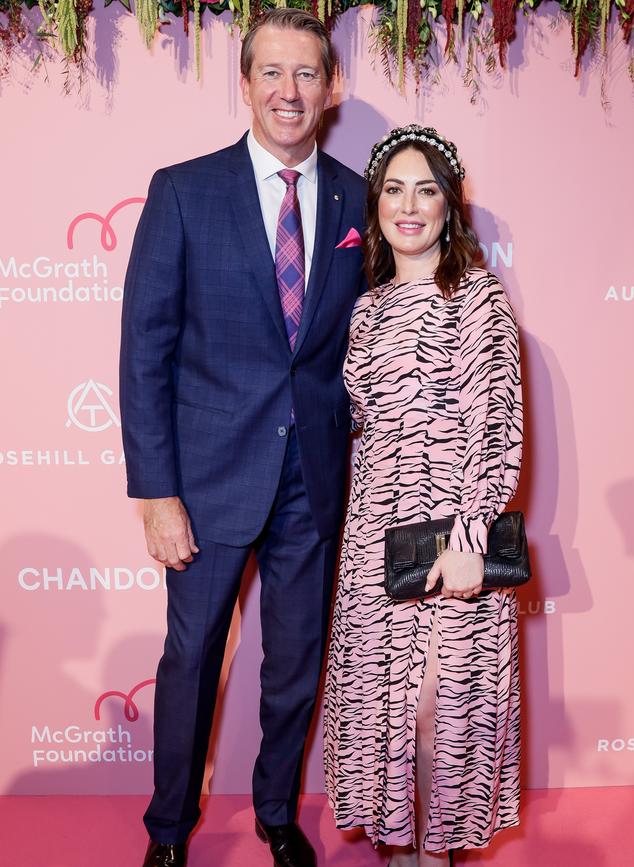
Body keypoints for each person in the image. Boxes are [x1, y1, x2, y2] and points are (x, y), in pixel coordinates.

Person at [119, 10, 366, 867]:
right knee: (191, 659)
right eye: (272, 73)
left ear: (330, 88)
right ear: (245, 82)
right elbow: (144, 350)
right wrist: (156, 494)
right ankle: (169, 831)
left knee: (295, 661)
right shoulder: (184, 190)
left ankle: (274, 814)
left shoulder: (359, 198)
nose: (289, 92)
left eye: (306, 74)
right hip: (209, 478)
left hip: (317, 477)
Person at [323, 125, 524, 867]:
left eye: (427, 189)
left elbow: (495, 425)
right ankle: (401, 856)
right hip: (375, 543)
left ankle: (432, 858)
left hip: (450, 545)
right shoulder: (367, 311)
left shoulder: (476, 298)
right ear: (376, 204)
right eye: (395, 190)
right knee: (384, 721)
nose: (409, 206)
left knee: (441, 720)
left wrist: (471, 541)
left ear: (449, 205)